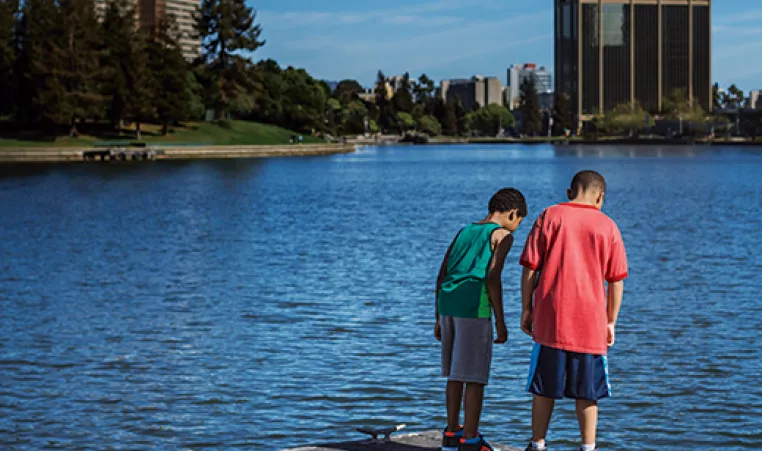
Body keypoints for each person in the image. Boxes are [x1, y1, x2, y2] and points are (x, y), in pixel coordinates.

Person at [519, 171, 628, 451]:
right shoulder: (608, 226)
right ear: (601, 196)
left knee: (543, 387)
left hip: (550, 318)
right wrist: (611, 321)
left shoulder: (549, 216)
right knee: (587, 392)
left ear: (570, 192)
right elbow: (616, 280)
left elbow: (530, 266)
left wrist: (526, 308)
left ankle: (537, 443)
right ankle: (588, 446)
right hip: (591, 322)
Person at [436, 188, 528, 451]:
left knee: (455, 374)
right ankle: (472, 438)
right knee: (475, 376)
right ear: (513, 214)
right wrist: (500, 321)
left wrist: (436, 317)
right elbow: (492, 277)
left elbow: (442, 272)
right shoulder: (502, 236)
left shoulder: (464, 230)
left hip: (448, 304)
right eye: (519, 221)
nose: (517, 227)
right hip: (474, 307)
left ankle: (452, 433)